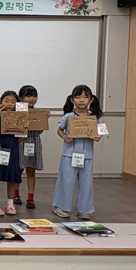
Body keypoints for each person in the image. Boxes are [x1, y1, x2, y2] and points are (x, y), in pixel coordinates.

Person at [52, 85, 103, 220]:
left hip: (87, 156)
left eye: (85, 97)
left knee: (86, 184)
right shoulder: (68, 116)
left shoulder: (93, 117)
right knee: (66, 182)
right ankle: (62, 207)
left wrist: (97, 137)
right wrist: (65, 137)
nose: (81, 100)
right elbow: (59, 130)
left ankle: (84, 209)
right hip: (69, 155)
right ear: (72, 99)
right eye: (78, 97)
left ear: (91, 100)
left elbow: (99, 132)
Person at [0, 91, 23, 216]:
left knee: (11, 179)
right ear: (1, 102)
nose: (9, 104)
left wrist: (24, 129)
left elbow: (19, 140)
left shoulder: (19, 118)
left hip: (13, 151)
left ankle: (10, 204)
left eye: (13, 102)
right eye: (6, 101)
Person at [15, 85, 50, 209]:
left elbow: (40, 131)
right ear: (21, 97)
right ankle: (15, 194)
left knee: (31, 171)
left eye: (34, 96)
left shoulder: (38, 113)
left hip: (34, 141)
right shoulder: (16, 112)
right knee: (18, 170)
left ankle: (30, 197)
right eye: (28, 96)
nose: (32, 99)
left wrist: (44, 120)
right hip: (20, 142)